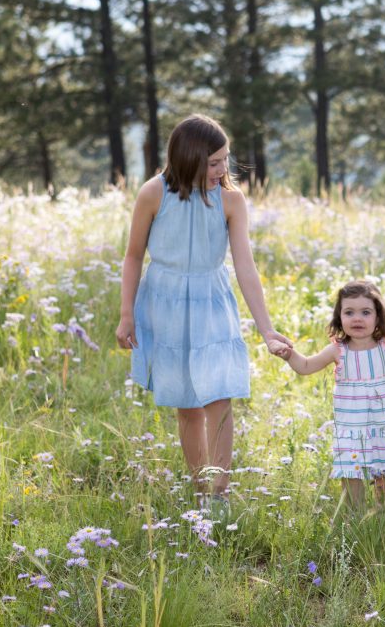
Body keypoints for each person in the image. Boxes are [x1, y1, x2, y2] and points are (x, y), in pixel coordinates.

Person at [116, 114, 291, 505]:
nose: (223, 169)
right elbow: (132, 256)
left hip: (211, 301)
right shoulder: (153, 193)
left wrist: (267, 329)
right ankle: (201, 491)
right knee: (187, 404)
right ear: (189, 159)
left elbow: (245, 265)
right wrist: (126, 313)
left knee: (219, 397)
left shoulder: (231, 200)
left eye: (225, 159)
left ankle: (220, 493)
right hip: (166, 304)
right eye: (214, 162)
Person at [269, 280, 385, 510]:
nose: (357, 318)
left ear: (378, 316)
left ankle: (381, 516)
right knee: (351, 473)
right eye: (349, 312)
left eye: (366, 312)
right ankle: (355, 517)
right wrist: (288, 355)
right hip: (353, 427)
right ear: (339, 317)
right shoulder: (338, 349)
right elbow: (305, 366)